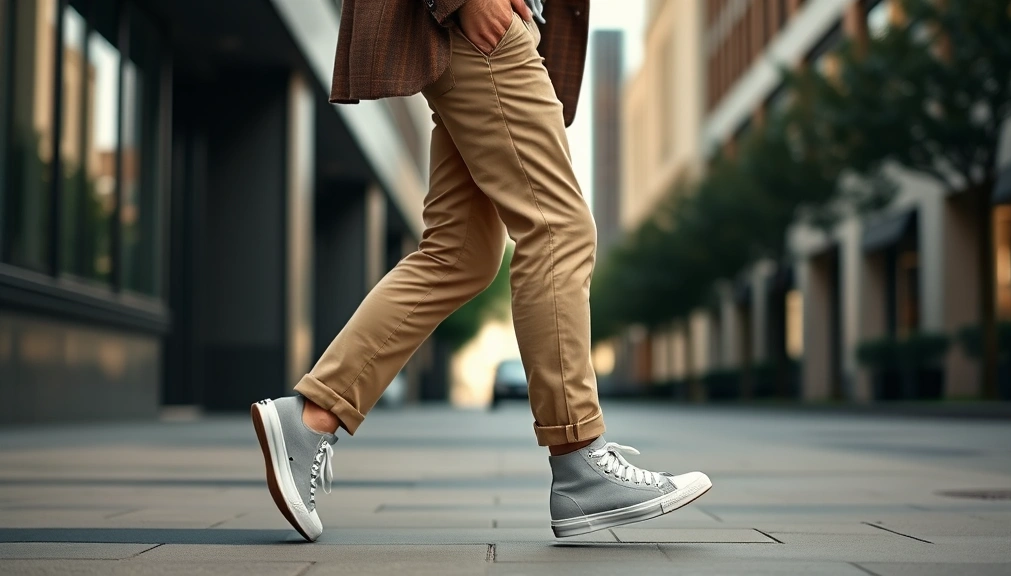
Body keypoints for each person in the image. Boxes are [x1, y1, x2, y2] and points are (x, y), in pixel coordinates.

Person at [250, 0, 712, 542]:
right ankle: (580, 458)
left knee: (460, 254)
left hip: (491, 28)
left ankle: (313, 417)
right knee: (558, 229)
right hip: (480, 25)